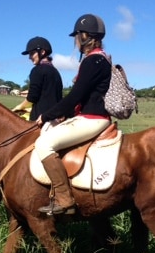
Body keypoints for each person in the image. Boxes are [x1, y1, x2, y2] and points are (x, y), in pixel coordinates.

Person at [34, 14, 112, 215]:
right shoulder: (99, 59)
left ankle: (64, 199)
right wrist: (63, 115)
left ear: (85, 35)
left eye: (77, 36)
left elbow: (75, 96)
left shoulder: (93, 60)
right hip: (89, 116)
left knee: (44, 144)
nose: (75, 41)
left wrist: (47, 115)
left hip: (93, 118)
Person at [12, 36, 63, 121]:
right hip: (56, 118)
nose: (29, 57)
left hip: (40, 120)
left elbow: (32, 97)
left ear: (42, 52)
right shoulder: (55, 72)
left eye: (32, 53)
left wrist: (20, 106)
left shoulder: (37, 70)